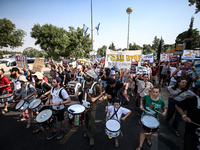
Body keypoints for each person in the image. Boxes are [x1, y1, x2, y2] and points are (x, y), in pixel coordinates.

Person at [74, 70, 103, 145]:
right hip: (84, 106)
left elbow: (101, 94)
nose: (86, 77)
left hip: (92, 107)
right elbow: (80, 89)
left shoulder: (95, 85)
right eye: (86, 75)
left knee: (91, 122)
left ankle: (91, 136)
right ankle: (88, 132)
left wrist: (95, 98)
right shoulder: (83, 83)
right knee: (86, 121)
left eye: (88, 76)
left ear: (92, 77)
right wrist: (77, 92)